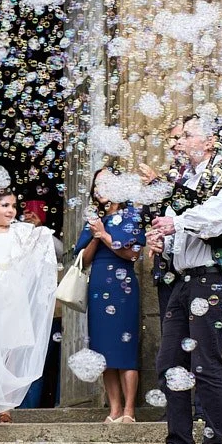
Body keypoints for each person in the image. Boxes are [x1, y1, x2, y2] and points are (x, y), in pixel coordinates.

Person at [140, 115, 222, 444]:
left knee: (205, 362)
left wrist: (176, 222)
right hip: (184, 280)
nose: (180, 141)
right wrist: (162, 240)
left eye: (188, 134)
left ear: (209, 142)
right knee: (169, 363)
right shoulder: (189, 181)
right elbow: (183, 231)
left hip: (215, 279)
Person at [0, 186, 55, 424]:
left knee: (12, 351)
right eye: (5, 205)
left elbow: (46, 243)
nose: (11, 211)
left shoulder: (20, 233)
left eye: (14, 206)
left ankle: (5, 407)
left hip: (12, 296)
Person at [72, 168, 142, 424]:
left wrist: (105, 234)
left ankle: (129, 410)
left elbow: (132, 255)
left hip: (122, 289)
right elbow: (84, 260)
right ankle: (114, 409)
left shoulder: (131, 216)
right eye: (96, 185)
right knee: (103, 351)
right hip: (99, 286)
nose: (99, 190)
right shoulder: (93, 220)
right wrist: (94, 235)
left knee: (125, 350)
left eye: (105, 184)